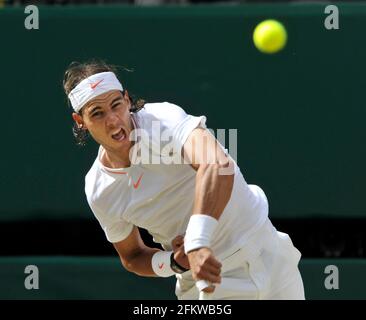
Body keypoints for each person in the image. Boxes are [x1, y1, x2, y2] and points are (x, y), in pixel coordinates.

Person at [63, 60, 305, 300]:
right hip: (209, 284)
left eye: (116, 105)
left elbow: (217, 165)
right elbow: (132, 256)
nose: (113, 120)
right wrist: (174, 263)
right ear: (80, 121)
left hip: (269, 255)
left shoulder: (162, 119)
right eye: (97, 113)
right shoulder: (98, 189)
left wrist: (198, 241)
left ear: (127, 100)